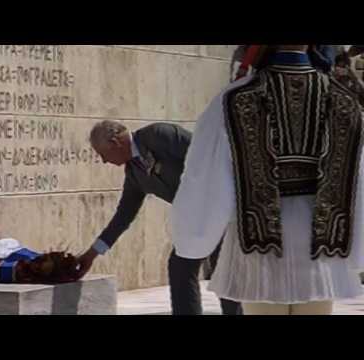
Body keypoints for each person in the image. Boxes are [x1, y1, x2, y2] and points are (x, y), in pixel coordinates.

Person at [171, 45, 364, 315]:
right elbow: (358, 182)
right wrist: (356, 249)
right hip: (321, 243)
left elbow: (206, 177)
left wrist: (193, 239)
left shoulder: (234, 99)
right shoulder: (344, 101)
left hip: (259, 243)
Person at [77, 120, 242, 315]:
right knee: (182, 269)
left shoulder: (159, 135)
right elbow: (123, 217)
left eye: (103, 154)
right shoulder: (134, 174)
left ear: (115, 142)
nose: (104, 161)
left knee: (220, 271)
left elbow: (206, 156)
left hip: (218, 208)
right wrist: (91, 254)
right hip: (193, 219)